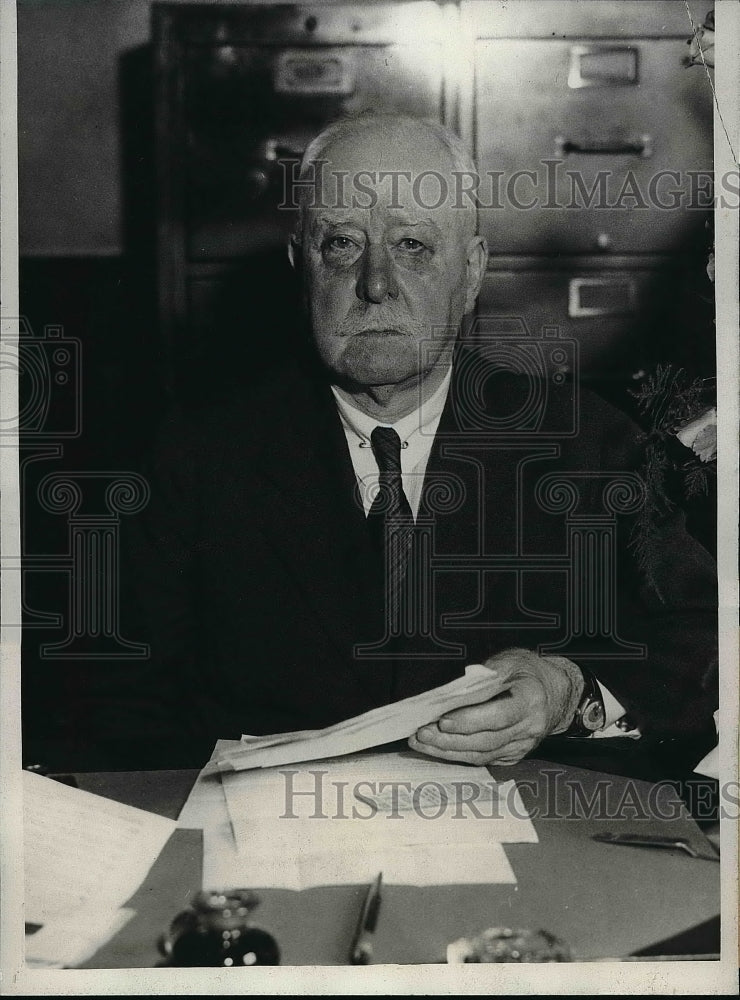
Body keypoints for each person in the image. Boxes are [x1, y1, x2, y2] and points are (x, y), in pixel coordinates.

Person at [84, 113, 717, 771]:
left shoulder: (588, 443)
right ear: (301, 267)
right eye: (342, 245)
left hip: (529, 847)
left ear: (470, 275)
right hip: (271, 848)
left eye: (413, 245)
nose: (376, 284)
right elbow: (119, 699)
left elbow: (708, 640)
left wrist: (570, 692)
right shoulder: (198, 454)